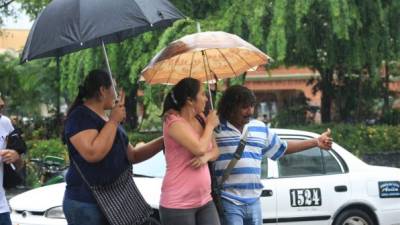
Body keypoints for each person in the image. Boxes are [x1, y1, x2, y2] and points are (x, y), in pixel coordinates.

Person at [214, 85, 332, 225]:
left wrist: (316, 142)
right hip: (228, 200)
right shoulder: (216, 129)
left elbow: (282, 147)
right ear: (231, 107)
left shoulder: (259, 127)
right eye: (244, 107)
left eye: (252, 106)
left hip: (254, 201)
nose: (250, 111)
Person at [62, 69, 164, 225]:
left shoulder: (107, 118)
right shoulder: (80, 116)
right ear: (103, 90)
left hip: (114, 201)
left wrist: (164, 140)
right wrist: (114, 121)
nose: (116, 94)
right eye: (114, 88)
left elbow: (132, 155)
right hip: (86, 203)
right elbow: (93, 153)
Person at [159, 77, 221, 225]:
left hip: (205, 199)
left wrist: (206, 157)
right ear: (190, 100)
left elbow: (216, 151)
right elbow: (199, 148)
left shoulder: (201, 118)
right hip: (178, 204)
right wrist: (210, 125)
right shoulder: (173, 122)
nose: (206, 99)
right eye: (202, 94)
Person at [0, 96, 23, 225]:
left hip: (1, 208)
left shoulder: (5, 123)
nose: (2, 103)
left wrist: (15, 156)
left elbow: (19, 165)